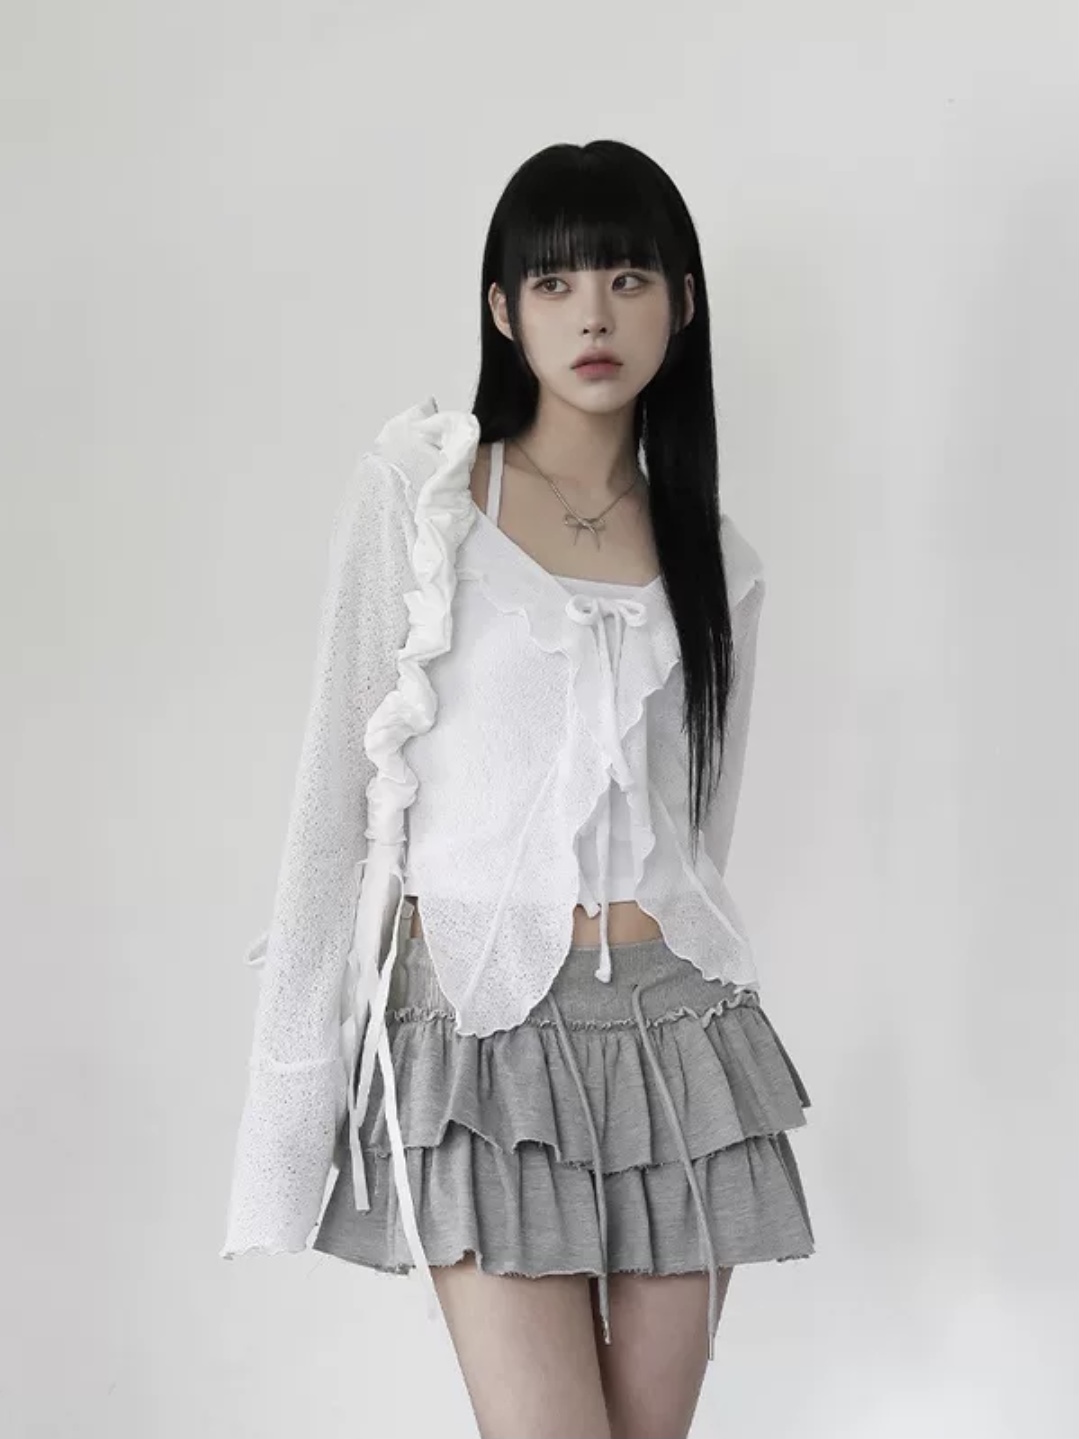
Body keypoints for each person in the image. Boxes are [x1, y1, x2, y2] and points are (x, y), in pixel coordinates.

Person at [220, 138, 816, 1439]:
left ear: (682, 303)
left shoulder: (718, 560)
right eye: (554, 284)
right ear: (503, 311)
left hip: (680, 1036)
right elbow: (332, 805)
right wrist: (288, 1119)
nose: (593, 314)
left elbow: (699, 831)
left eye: (627, 278)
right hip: (479, 1036)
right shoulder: (424, 497)